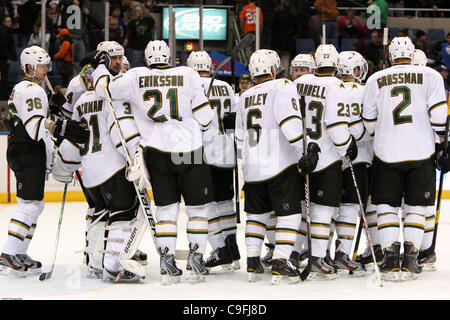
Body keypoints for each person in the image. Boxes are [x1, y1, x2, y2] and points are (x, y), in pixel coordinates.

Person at [93, 40, 215, 285]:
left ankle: (167, 259)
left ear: (147, 58)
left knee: (167, 210)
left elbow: (103, 89)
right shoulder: (188, 74)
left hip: (157, 153)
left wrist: (98, 67)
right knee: (198, 210)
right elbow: (205, 118)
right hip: (190, 150)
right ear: (169, 56)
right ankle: (196, 257)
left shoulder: (135, 76)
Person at [362, 36, 448, 281]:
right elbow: (440, 118)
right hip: (422, 153)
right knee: (417, 207)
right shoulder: (430, 76)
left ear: (390, 56)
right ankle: (411, 258)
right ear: (413, 54)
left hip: (387, 153)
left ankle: (390, 259)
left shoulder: (375, 79)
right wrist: (443, 144)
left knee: (387, 207)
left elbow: (368, 124)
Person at [54, 49, 145, 283]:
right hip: (112, 168)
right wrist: (134, 156)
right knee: (124, 214)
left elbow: (75, 138)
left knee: (99, 215)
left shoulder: (82, 100)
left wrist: (64, 167)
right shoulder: (111, 96)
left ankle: (94, 263)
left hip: (89, 173)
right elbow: (120, 132)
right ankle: (114, 265)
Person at [0, 45, 88, 276]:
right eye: (41, 66)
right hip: (28, 150)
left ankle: (19, 251)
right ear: (29, 67)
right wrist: (64, 127)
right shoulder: (30, 89)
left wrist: (52, 108)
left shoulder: (29, 88)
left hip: (24, 148)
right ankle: (8, 252)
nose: (46, 69)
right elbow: (36, 126)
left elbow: (33, 119)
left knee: (35, 205)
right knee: (29, 205)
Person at [235, 50, 319, 284]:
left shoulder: (244, 96)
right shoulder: (283, 85)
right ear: (273, 69)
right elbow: (290, 123)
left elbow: (240, 136)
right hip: (280, 165)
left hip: (252, 168)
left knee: (256, 214)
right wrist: (305, 151)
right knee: (290, 214)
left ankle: (252, 262)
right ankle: (281, 261)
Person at [293, 44, 357, 280]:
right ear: (337, 64)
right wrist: (347, 146)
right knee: (323, 209)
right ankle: (317, 256)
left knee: (301, 208)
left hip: (300, 154)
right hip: (327, 156)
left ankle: (294, 253)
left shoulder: (299, 83)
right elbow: (336, 124)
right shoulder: (337, 85)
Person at [187, 50, 240, 272]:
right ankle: (231, 247)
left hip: (203, 153)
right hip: (226, 152)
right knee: (225, 203)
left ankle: (220, 248)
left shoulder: (190, 86)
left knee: (204, 206)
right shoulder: (226, 87)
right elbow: (234, 118)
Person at [328, 51, 370, 277]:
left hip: (331, 157)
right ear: (355, 70)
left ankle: (322, 252)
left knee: (329, 208)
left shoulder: (331, 89)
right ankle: (343, 252)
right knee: (352, 206)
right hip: (360, 154)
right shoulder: (364, 90)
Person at [0, 15, 17, 100]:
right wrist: (8, 57)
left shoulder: (8, 31)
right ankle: (3, 95)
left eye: (10, 21)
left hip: (4, 58)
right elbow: (6, 46)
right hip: (3, 59)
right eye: (7, 21)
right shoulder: (4, 32)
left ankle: (3, 95)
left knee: (4, 77)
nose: (9, 22)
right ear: (3, 22)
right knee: (3, 77)